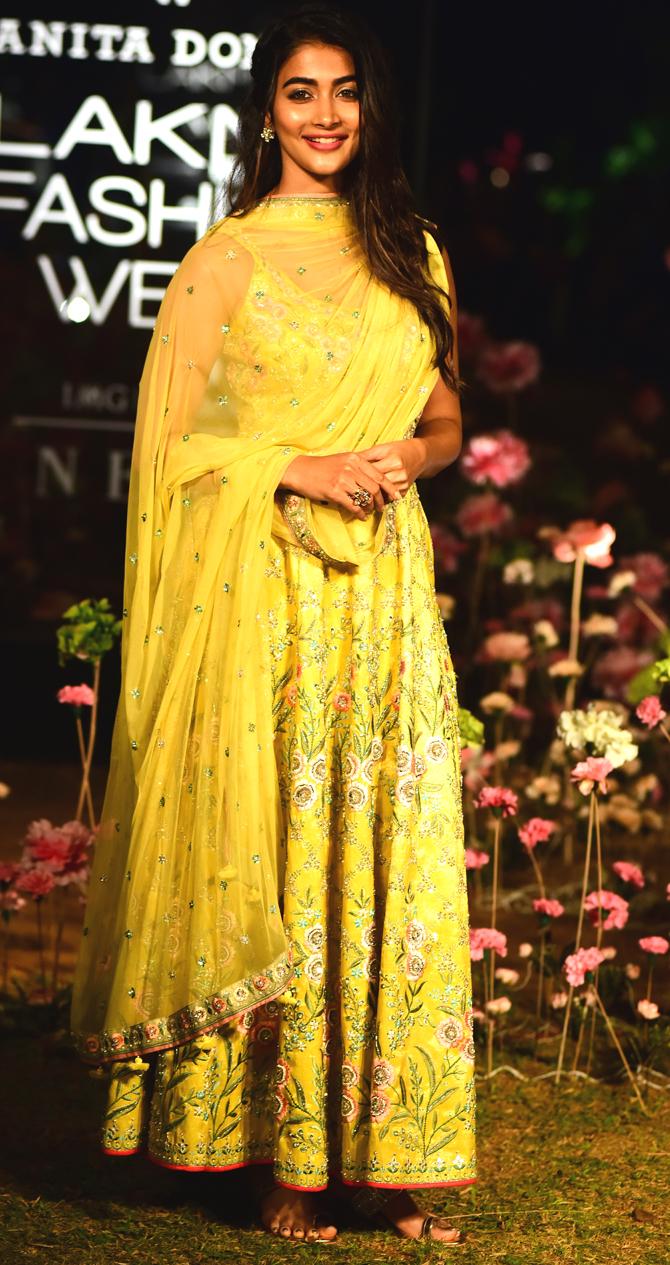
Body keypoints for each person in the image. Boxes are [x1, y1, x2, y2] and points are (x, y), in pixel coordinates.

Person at [69, 1, 476, 1246]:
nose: (326, 114)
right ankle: (279, 1152)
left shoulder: (413, 248)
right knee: (292, 852)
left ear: (370, 106)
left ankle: (385, 1150)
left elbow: (446, 419)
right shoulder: (224, 261)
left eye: (345, 91)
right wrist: (297, 468)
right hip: (273, 601)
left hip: (384, 598)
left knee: (379, 855)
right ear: (266, 113)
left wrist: (397, 453)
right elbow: (170, 452)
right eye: (301, 92)